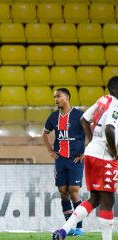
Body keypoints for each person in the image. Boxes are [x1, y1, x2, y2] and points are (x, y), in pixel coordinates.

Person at [52, 76, 118, 240]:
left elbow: (84, 119)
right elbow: (110, 129)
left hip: (90, 153)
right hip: (104, 157)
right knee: (107, 201)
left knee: (94, 199)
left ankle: (63, 230)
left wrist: (94, 141)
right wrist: (114, 153)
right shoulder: (116, 105)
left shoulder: (103, 100)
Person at [42, 88, 86, 236]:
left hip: (75, 160)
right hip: (60, 160)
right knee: (63, 193)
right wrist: (50, 151)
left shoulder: (79, 115)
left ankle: (79, 227)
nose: (55, 99)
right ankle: (69, 226)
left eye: (58, 96)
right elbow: (45, 133)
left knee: (74, 192)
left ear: (66, 98)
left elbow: (91, 133)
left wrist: (85, 153)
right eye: (55, 97)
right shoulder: (53, 117)